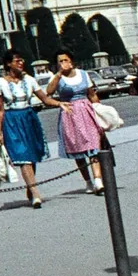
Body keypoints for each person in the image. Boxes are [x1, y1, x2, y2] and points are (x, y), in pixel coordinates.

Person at [0, 49, 61, 208]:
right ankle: (36, 193)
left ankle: (30, 188)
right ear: (8, 64)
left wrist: (60, 104)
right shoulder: (0, 83)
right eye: (17, 61)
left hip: (29, 118)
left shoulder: (30, 80)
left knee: (32, 156)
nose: (21, 63)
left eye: (21, 60)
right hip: (12, 121)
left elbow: (44, 98)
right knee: (23, 155)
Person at [45, 50, 106, 194]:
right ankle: (88, 181)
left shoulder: (83, 74)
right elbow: (49, 92)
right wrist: (59, 74)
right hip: (70, 113)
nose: (63, 63)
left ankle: (98, 180)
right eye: (60, 61)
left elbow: (92, 94)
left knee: (93, 145)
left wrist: (99, 111)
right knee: (77, 149)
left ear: (71, 61)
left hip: (86, 110)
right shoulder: (57, 78)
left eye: (65, 60)